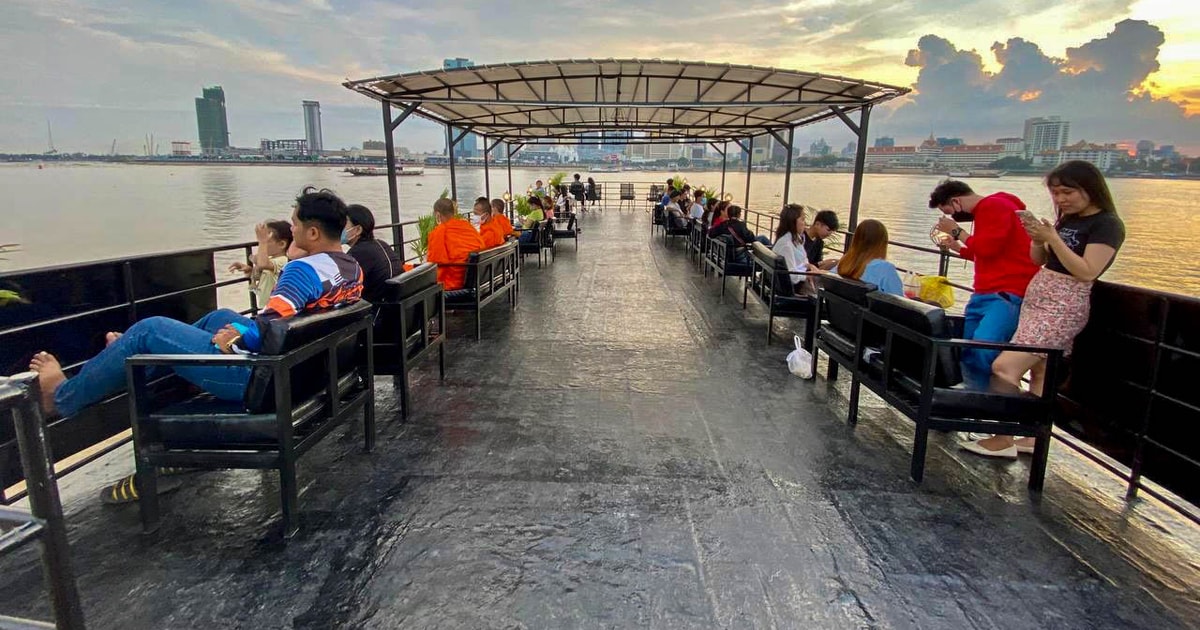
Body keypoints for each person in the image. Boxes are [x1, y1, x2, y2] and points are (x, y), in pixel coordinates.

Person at [27, 188, 364, 500]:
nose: (292, 230)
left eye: (295, 225)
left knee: (150, 327)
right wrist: (235, 329)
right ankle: (129, 352)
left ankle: (61, 398)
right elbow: (286, 325)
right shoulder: (350, 268)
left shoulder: (302, 271)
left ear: (313, 233)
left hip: (260, 377)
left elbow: (271, 325)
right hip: (304, 369)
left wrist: (239, 336)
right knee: (220, 316)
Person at [964, 161, 1126, 458]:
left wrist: (1054, 240)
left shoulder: (1106, 225)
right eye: (1056, 193)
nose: (1061, 199)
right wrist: (1040, 240)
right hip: (1039, 300)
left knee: (1004, 367)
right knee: (1040, 369)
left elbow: (1088, 270)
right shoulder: (1066, 220)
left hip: (1063, 305)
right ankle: (1030, 435)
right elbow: (1040, 259)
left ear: (1090, 189)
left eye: (1068, 192)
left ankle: (1003, 437)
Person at [929, 179, 1041, 390]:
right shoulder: (991, 210)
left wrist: (955, 231)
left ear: (956, 201)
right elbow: (990, 253)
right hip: (986, 291)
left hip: (1005, 292)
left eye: (950, 212)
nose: (954, 218)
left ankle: (981, 401)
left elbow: (987, 248)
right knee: (970, 349)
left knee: (983, 348)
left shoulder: (993, 206)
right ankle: (973, 398)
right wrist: (958, 248)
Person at [343, 203, 401, 304]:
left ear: (357, 230)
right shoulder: (381, 244)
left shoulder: (357, 253)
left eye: (342, 224)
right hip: (396, 305)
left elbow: (342, 288)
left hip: (378, 311)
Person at [228, 220, 292, 305]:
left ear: (282, 244)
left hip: (274, 307)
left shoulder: (283, 260)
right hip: (266, 305)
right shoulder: (271, 260)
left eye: (267, 241)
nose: (261, 246)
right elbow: (264, 276)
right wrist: (249, 270)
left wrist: (262, 241)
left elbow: (263, 264)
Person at [427, 198, 484, 291]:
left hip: (453, 282)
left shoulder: (440, 231)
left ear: (437, 215)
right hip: (475, 276)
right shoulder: (467, 226)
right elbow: (482, 246)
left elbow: (436, 262)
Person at [836, 219, 903, 295]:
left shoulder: (844, 263)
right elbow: (899, 302)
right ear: (882, 243)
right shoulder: (885, 269)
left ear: (855, 239)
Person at [771, 204, 814, 293]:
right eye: (802, 219)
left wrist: (809, 266)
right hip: (795, 287)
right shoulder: (786, 245)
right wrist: (807, 276)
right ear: (793, 221)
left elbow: (802, 261)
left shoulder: (793, 238)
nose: (804, 223)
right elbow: (792, 276)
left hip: (800, 276)